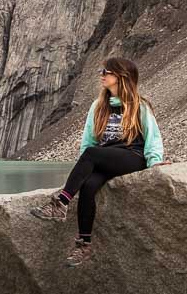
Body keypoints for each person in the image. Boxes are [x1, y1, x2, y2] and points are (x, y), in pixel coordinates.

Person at [30, 56, 168, 267]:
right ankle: (83, 245)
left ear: (121, 77)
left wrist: (155, 162)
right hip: (106, 157)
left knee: (93, 153)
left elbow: (153, 137)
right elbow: (89, 140)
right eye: (102, 71)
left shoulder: (139, 106)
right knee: (88, 186)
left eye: (107, 72)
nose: (101, 75)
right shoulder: (98, 105)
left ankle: (61, 203)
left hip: (133, 156)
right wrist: (82, 172)